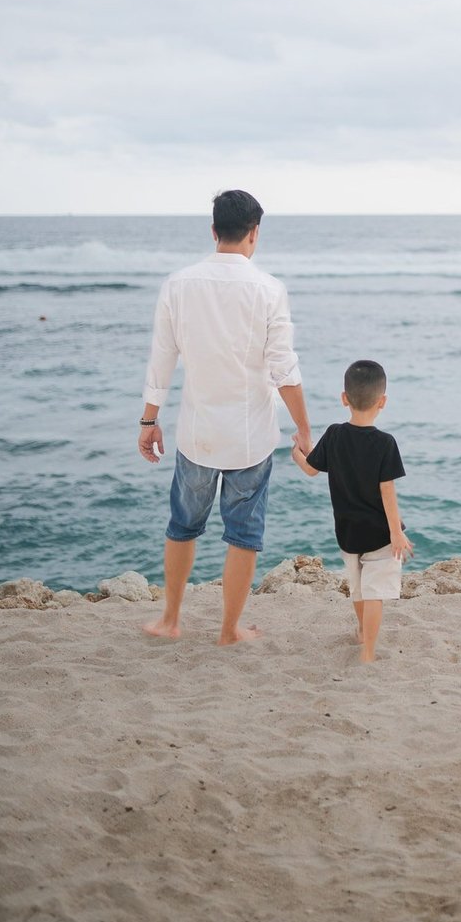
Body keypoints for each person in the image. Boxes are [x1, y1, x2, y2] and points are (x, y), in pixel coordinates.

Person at [138, 189, 311, 645]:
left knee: (182, 526)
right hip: (251, 437)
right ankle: (229, 629)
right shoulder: (270, 290)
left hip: (197, 434)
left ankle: (170, 620)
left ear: (213, 231)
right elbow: (284, 369)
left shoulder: (178, 284)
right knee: (244, 534)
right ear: (255, 234)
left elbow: (162, 358)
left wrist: (148, 420)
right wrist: (305, 430)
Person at [291, 359, 413, 664]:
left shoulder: (334, 435)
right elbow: (387, 491)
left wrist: (296, 453)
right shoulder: (385, 443)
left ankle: (361, 630)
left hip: (347, 533)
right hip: (380, 535)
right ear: (382, 402)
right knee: (374, 594)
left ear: (344, 398)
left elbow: (310, 469)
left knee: (359, 590)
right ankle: (368, 651)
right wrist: (396, 533)